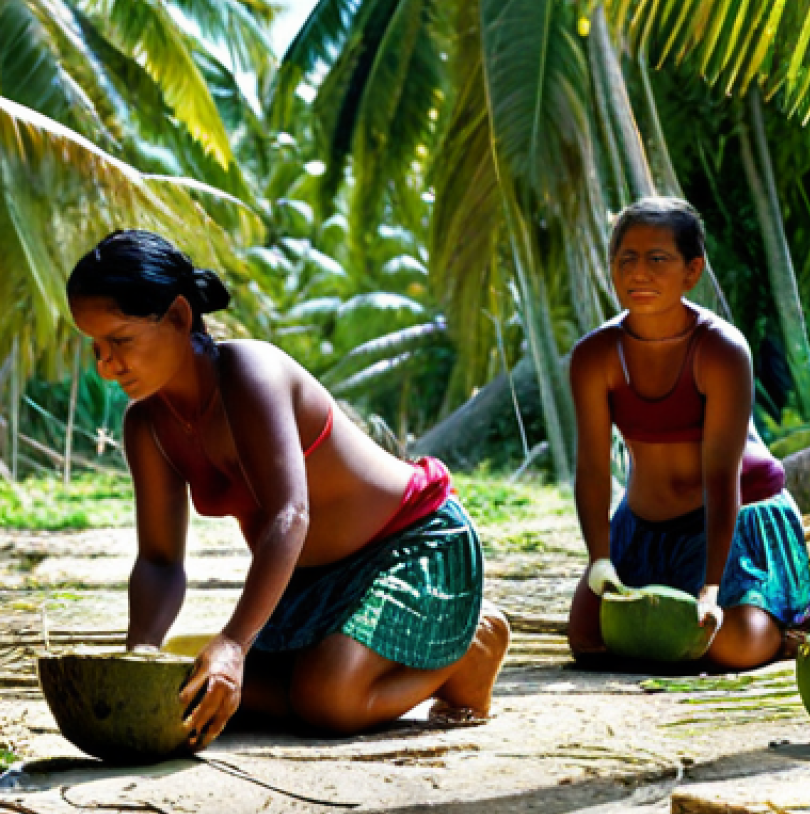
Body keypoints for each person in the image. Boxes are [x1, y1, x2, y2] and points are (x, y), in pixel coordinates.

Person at [66, 230, 509, 749]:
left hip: (411, 541)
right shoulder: (147, 426)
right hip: (307, 581)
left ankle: (469, 644)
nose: (105, 365)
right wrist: (138, 658)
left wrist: (234, 642)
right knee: (197, 692)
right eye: (95, 346)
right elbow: (161, 561)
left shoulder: (250, 373)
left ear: (180, 318)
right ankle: (352, 661)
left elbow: (289, 515)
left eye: (120, 340)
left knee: (328, 701)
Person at [567, 197, 810, 670]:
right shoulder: (595, 355)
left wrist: (712, 588)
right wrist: (601, 561)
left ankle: (780, 619)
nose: (639, 273)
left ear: (692, 270)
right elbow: (594, 470)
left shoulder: (720, 348)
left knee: (731, 647)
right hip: (642, 526)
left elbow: (723, 479)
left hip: (735, 518)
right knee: (589, 642)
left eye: (658, 259)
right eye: (627, 259)